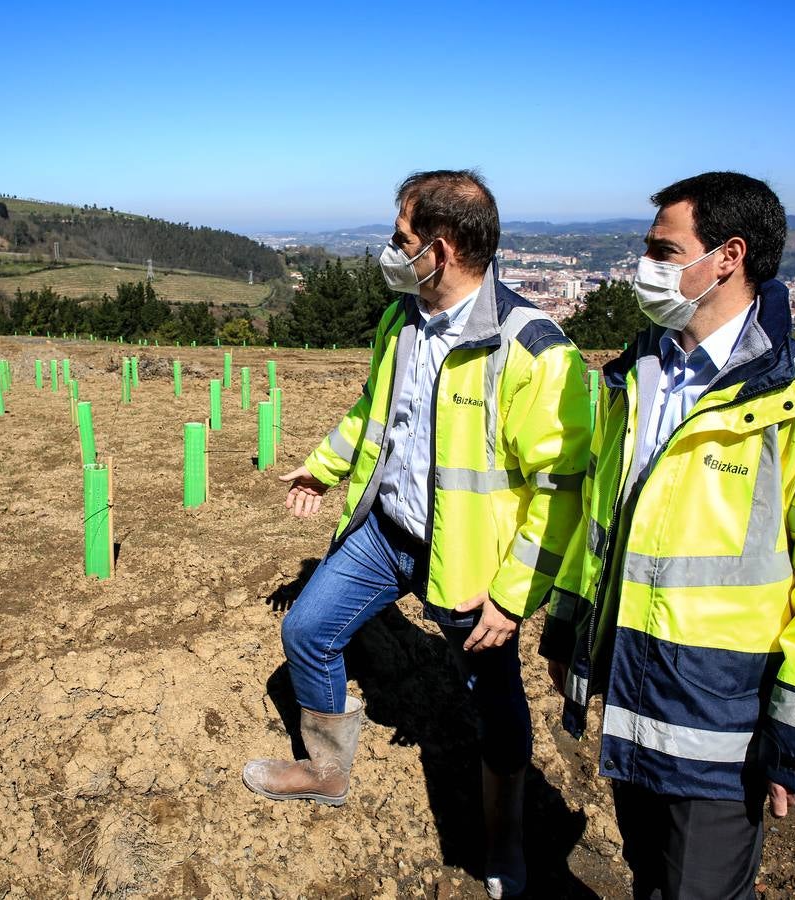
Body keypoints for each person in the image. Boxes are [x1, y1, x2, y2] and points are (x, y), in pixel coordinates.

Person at [539, 171, 795, 898]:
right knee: (650, 876)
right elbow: (601, 533)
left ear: (728, 256)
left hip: (724, 730)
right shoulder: (636, 379)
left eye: (662, 249)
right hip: (635, 699)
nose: (643, 267)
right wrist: (569, 636)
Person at [242, 169, 591, 899]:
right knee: (308, 631)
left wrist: (512, 597)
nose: (390, 251)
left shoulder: (531, 350)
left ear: (438, 249)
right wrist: (322, 470)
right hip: (385, 532)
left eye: (400, 239)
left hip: (471, 565)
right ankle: (325, 770)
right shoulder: (400, 321)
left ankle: (505, 843)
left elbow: (560, 493)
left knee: (495, 708)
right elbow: (373, 413)